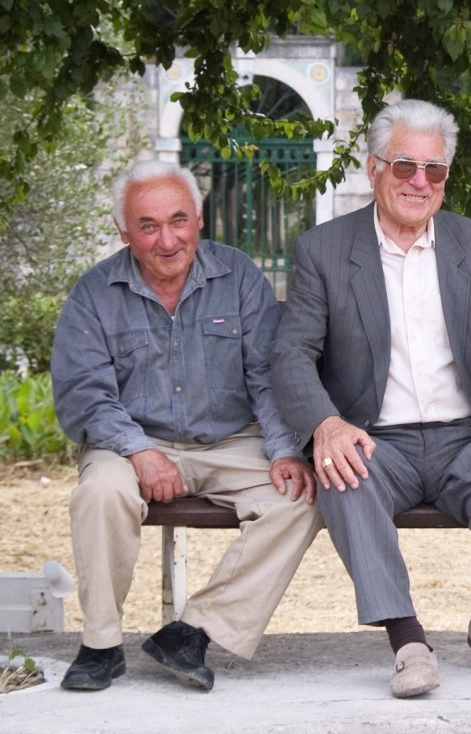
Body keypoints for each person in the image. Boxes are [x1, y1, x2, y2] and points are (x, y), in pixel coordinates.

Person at [270, 99, 471, 698]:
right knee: (343, 476)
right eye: (405, 166)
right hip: (375, 436)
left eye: (434, 169)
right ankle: (408, 641)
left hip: (467, 435)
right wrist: (325, 424)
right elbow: (290, 354)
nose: (420, 181)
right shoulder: (324, 250)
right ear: (374, 169)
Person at [50, 161, 322, 692]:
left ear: (198, 219)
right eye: (148, 226)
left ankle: (193, 632)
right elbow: (83, 395)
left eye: (178, 220)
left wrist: (285, 450)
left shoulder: (238, 275)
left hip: (229, 440)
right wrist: (138, 451)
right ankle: (101, 645)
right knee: (100, 493)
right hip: (129, 443)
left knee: (301, 496)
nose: (168, 240)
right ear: (124, 232)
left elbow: (268, 376)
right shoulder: (94, 293)